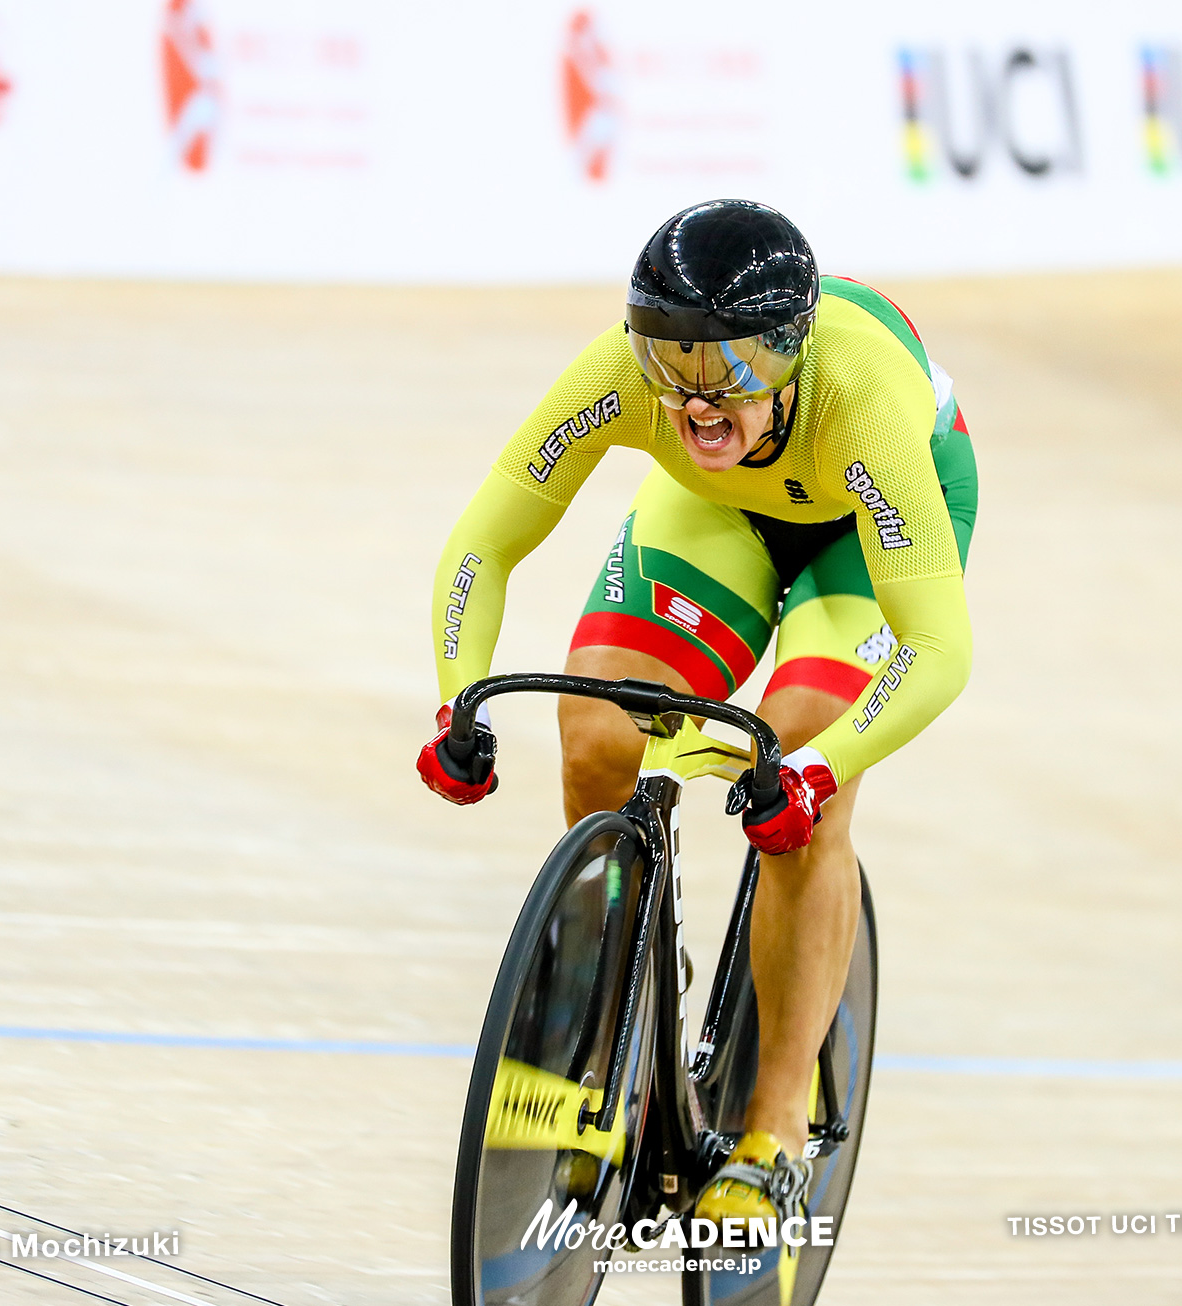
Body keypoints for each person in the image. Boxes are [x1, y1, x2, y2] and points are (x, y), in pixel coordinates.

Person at [418, 198, 976, 1236]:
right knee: (595, 728)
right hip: (719, 512)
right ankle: (622, 978)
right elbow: (483, 543)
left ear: (789, 353)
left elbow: (939, 650)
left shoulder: (859, 401)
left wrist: (813, 772)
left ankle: (771, 1135)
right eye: (669, 366)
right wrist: (459, 693)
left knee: (805, 745)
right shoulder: (629, 380)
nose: (692, 399)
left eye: (723, 373)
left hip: (866, 520)